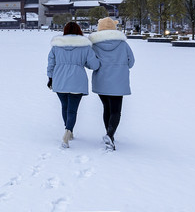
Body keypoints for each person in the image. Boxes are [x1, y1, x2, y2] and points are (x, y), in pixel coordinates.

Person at [47, 21, 100, 148]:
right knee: (72, 110)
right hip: (77, 80)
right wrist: (82, 63)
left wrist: (50, 78)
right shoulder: (85, 46)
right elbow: (94, 65)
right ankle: (68, 131)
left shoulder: (56, 46)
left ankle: (68, 131)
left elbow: (51, 64)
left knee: (64, 107)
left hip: (60, 80)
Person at [88, 17, 135, 151]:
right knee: (116, 110)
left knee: (106, 108)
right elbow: (131, 62)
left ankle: (110, 136)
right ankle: (110, 134)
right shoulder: (123, 44)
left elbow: (93, 64)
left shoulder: (94, 45)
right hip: (118, 81)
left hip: (101, 81)